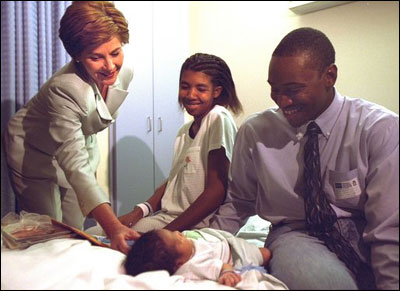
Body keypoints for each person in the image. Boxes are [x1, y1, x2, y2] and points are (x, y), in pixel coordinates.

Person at [210, 27, 399, 290]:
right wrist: (204, 246)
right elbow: (239, 202)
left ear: (329, 76)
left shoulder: (380, 129)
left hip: (362, 229)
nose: (283, 101)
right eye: (274, 89)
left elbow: (389, 229)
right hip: (296, 233)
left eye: (293, 89)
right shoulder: (255, 132)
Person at [2, 1, 139, 254]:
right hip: (33, 150)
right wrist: (114, 227)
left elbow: (83, 136)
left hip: (75, 144)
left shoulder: (125, 72)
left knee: (75, 229)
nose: (110, 66)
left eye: (115, 52)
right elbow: (75, 165)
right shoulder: (64, 88)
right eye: (96, 57)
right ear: (77, 56)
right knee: (47, 234)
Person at [118, 53, 243, 232]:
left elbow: (217, 191)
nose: (191, 95)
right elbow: (173, 181)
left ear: (216, 91)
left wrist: (167, 233)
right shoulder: (184, 132)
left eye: (201, 88)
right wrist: (139, 211)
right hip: (168, 218)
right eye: (185, 87)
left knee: (110, 239)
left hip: (195, 224)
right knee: (99, 232)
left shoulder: (218, 117)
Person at [124, 228, 271, 287]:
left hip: (222, 240)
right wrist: (227, 273)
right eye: (178, 239)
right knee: (266, 253)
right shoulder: (195, 266)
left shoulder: (184, 251)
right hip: (235, 252)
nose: (178, 232)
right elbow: (222, 266)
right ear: (179, 263)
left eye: (173, 232)